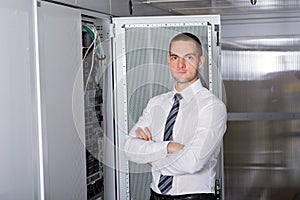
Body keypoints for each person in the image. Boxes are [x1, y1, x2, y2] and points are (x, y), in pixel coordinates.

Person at [124, 32, 227, 200]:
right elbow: (128, 147)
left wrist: (149, 155)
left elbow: (192, 162)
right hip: (155, 196)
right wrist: (168, 147)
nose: (181, 65)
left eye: (189, 57)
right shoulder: (156, 103)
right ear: (168, 61)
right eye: (175, 58)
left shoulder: (212, 107)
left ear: (200, 62)